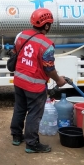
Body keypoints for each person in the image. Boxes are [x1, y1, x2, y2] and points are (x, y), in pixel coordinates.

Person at [10, 8, 66, 153]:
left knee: (20, 108)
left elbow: (14, 52)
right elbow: (49, 68)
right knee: (34, 114)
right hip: (35, 86)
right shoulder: (47, 45)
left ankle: (16, 137)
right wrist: (59, 80)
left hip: (19, 80)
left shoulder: (21, 35)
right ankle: (32, 144)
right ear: (46, 25)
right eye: (50, 24)